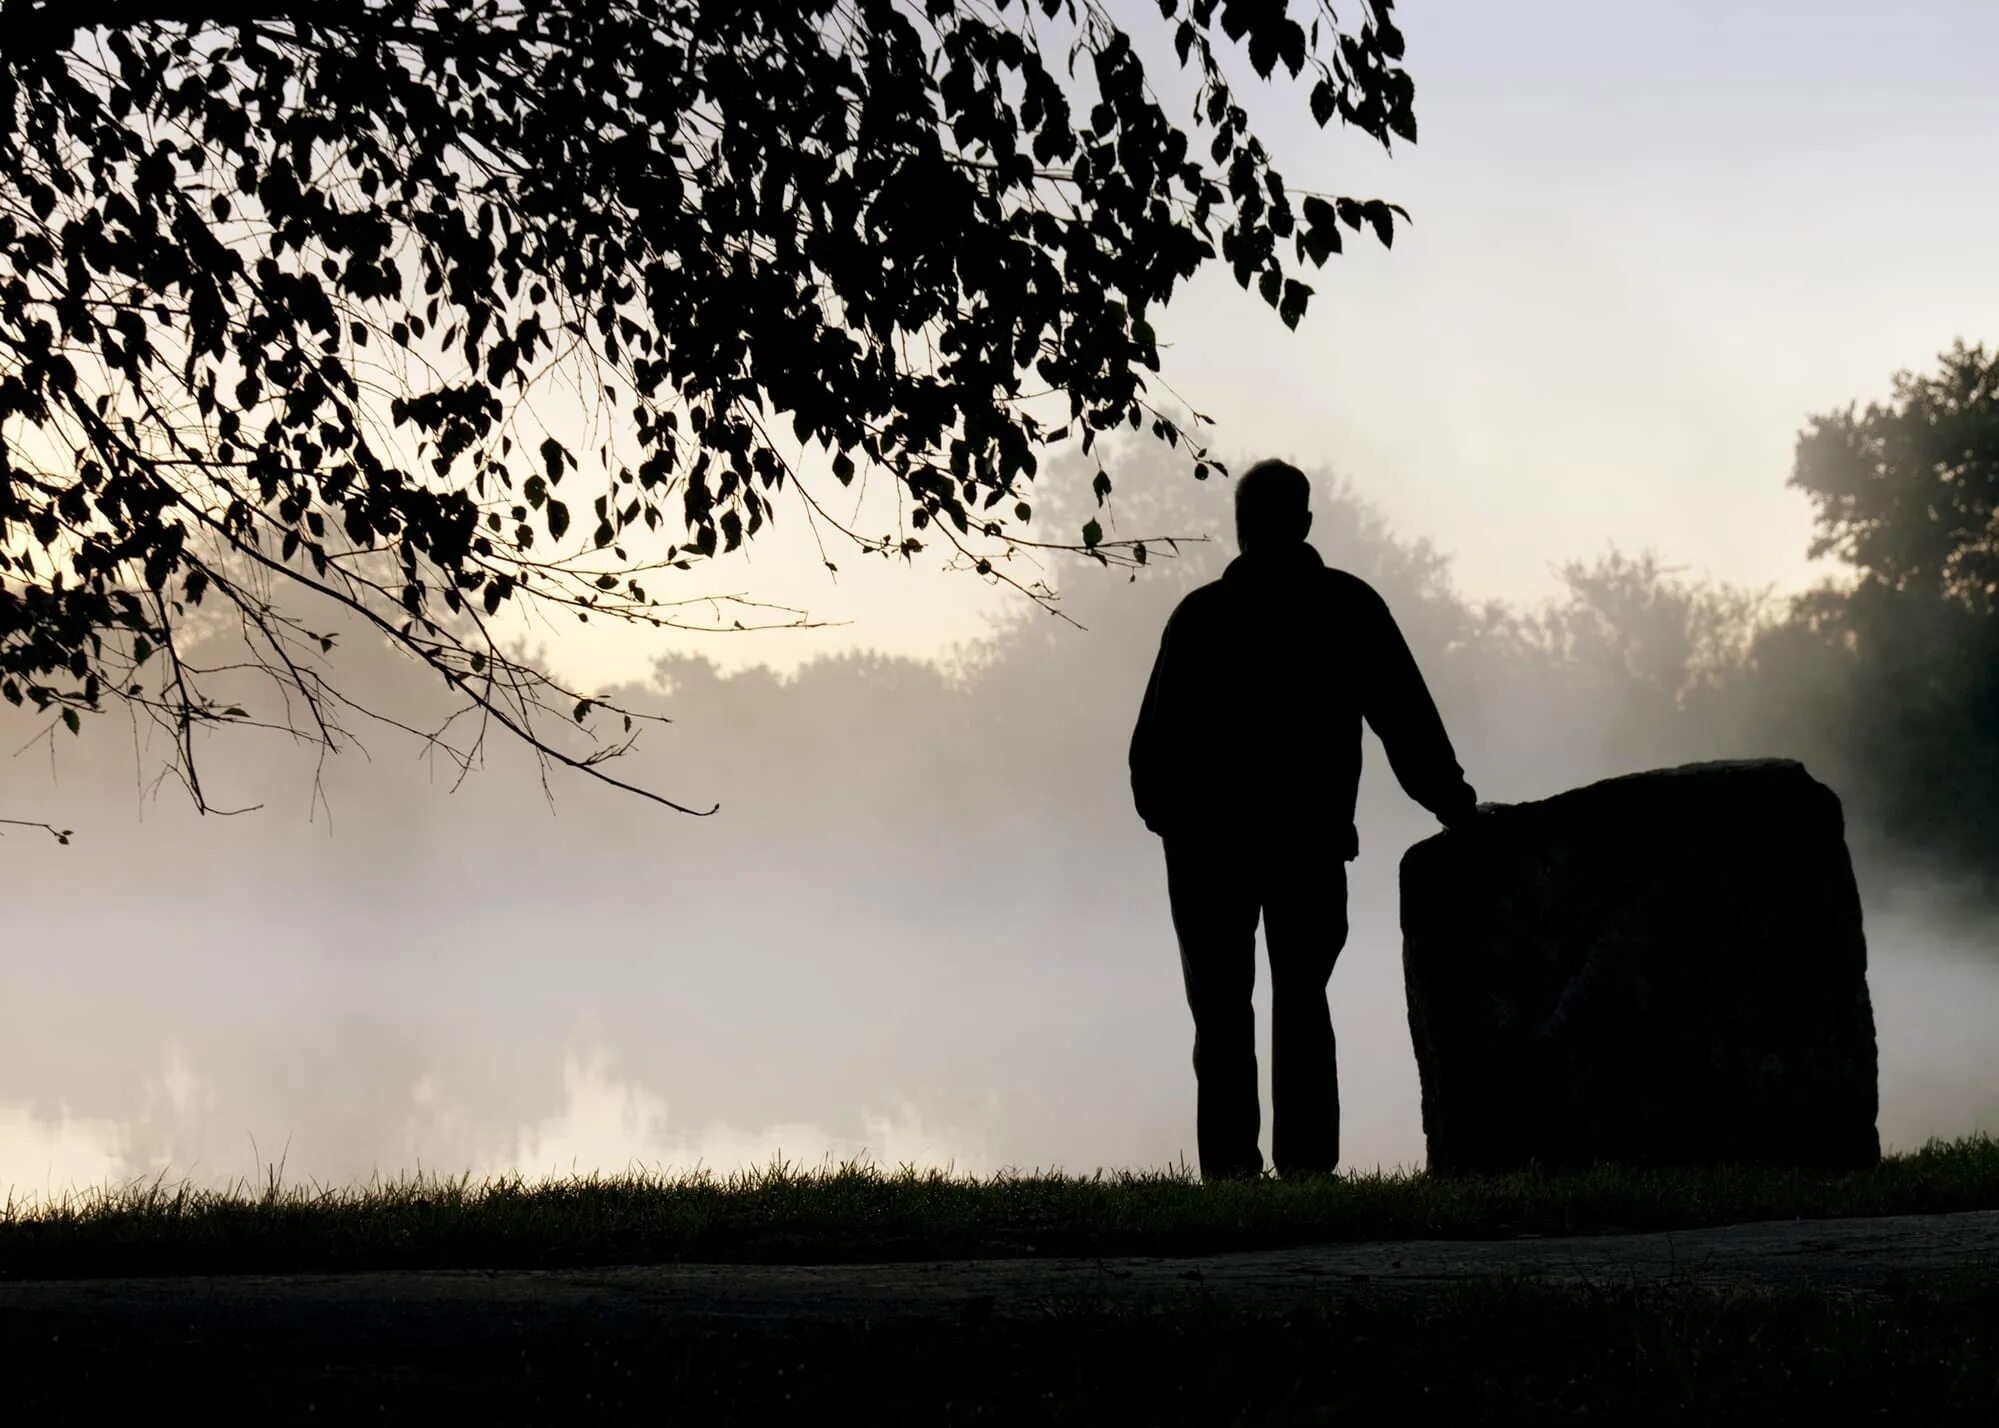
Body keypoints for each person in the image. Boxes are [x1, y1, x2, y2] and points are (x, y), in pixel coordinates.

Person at [1128, 459, 1478, 1179]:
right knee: (1303, 1007)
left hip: (1207, 852)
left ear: (1239, 526)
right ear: (1306, 523)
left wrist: (1175, 826)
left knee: (1221, 1015)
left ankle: (1230, 1176)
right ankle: (1308, 1173)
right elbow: (1405, 721)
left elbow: (1151, 752)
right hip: (1307, 846)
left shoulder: (1199, 617)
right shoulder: (1346, 606)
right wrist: (1453, 804)